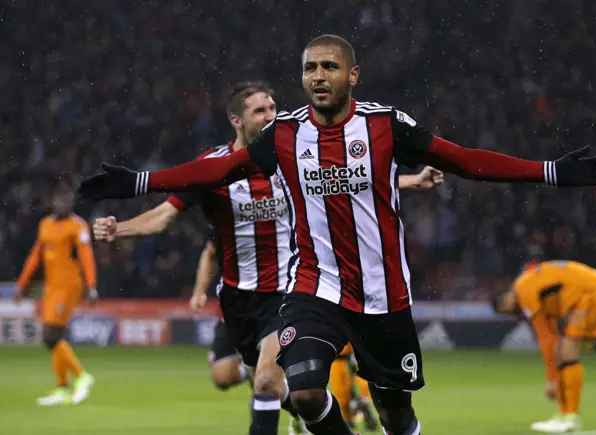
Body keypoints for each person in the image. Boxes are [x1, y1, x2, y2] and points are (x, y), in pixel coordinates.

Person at [78, 34, 596, 435]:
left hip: (383, 296)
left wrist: (549, 171)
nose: (318, 75)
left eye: (330, 66)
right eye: (309, 68)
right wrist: (140, 181)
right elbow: (216, 172)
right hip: (314, 288)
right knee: (305, 394)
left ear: (354, 75)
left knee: (396, 411)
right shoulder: (284, 134)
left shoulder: (385, 126)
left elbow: (465, 160)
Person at [91, 79, 444, 434]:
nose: (270, 115)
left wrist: (412, 181)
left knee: (264, 383)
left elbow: (350, 179)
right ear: (237, 121)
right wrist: (119, 229)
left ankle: (309, 408)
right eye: (260, 111)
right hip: (238, 299)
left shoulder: (289, 155)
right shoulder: (215, 167)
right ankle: (307, 410)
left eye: (273, 108)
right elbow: (164, 215)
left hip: (289, 291)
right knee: (240, 379)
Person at [492, 260, 596, 434]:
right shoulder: (529, 283)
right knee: (561, 351)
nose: (515, 312)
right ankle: (563, 415)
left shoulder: (523, 292)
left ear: (507, 298)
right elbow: (551, 338)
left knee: (567, 350)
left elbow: (546, 339)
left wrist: (551, 379)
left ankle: (570, 417)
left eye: (508, 309)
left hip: (592, 293)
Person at [14, 187, 98, 406]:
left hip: (69, 286)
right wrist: (22, 284)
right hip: (51, 288)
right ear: (53, 203)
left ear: (70, 204)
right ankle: (62, 387)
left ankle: (81, 376)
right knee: (53, 338)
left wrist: (91, 285)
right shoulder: (46, 225)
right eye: (59, 201)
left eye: (66, 202)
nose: (62, 205)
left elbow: (86, 256)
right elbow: (35, 256)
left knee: (50, 336)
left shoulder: (77, 226)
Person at [329, 343, 377, 431]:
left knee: (358, 386)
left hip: (347, 352)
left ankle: (351, 416)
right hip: (343, 354)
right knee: (343, 393)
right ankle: (352, 415)